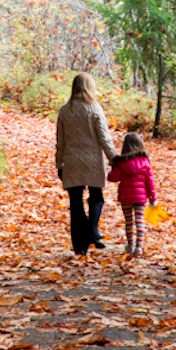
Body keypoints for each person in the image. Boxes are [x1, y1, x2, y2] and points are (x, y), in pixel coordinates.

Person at [56, 72, 116, 255]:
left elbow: (60, 141)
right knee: (96, 197)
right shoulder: (95, 108)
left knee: (75, 202)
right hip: (92, 161)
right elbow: (104, 137)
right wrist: (114, 159)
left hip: (72, 162)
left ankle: (79, 245)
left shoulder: (64, 110)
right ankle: (92, 231)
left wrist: (59, 164)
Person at [108, 132, 156, 257]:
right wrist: (153, 199)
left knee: (129, 222)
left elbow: (113, 178)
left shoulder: (122, 162)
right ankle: (139, 247)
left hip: (126, 198)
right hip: (140, 198)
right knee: (139, 222)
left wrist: (111, 169)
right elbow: (150, 182)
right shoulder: (145, 161)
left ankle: (130, 245)